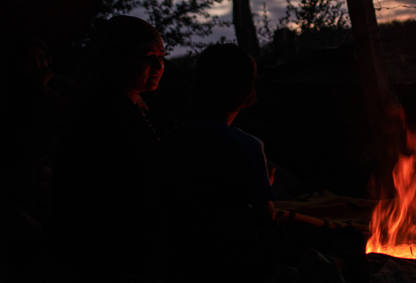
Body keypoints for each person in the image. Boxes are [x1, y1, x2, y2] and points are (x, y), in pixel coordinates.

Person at [52, 15, 167, 281]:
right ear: (118, 58)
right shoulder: (103, 114)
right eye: (147, 56)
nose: (159, 65)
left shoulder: (135, 109)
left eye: (161, 56)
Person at [165, 43, 274, 282]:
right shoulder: (245, 146)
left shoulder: (171, 138)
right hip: (232, 263)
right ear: (247, 92)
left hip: (178, 260)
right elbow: (265, 220)